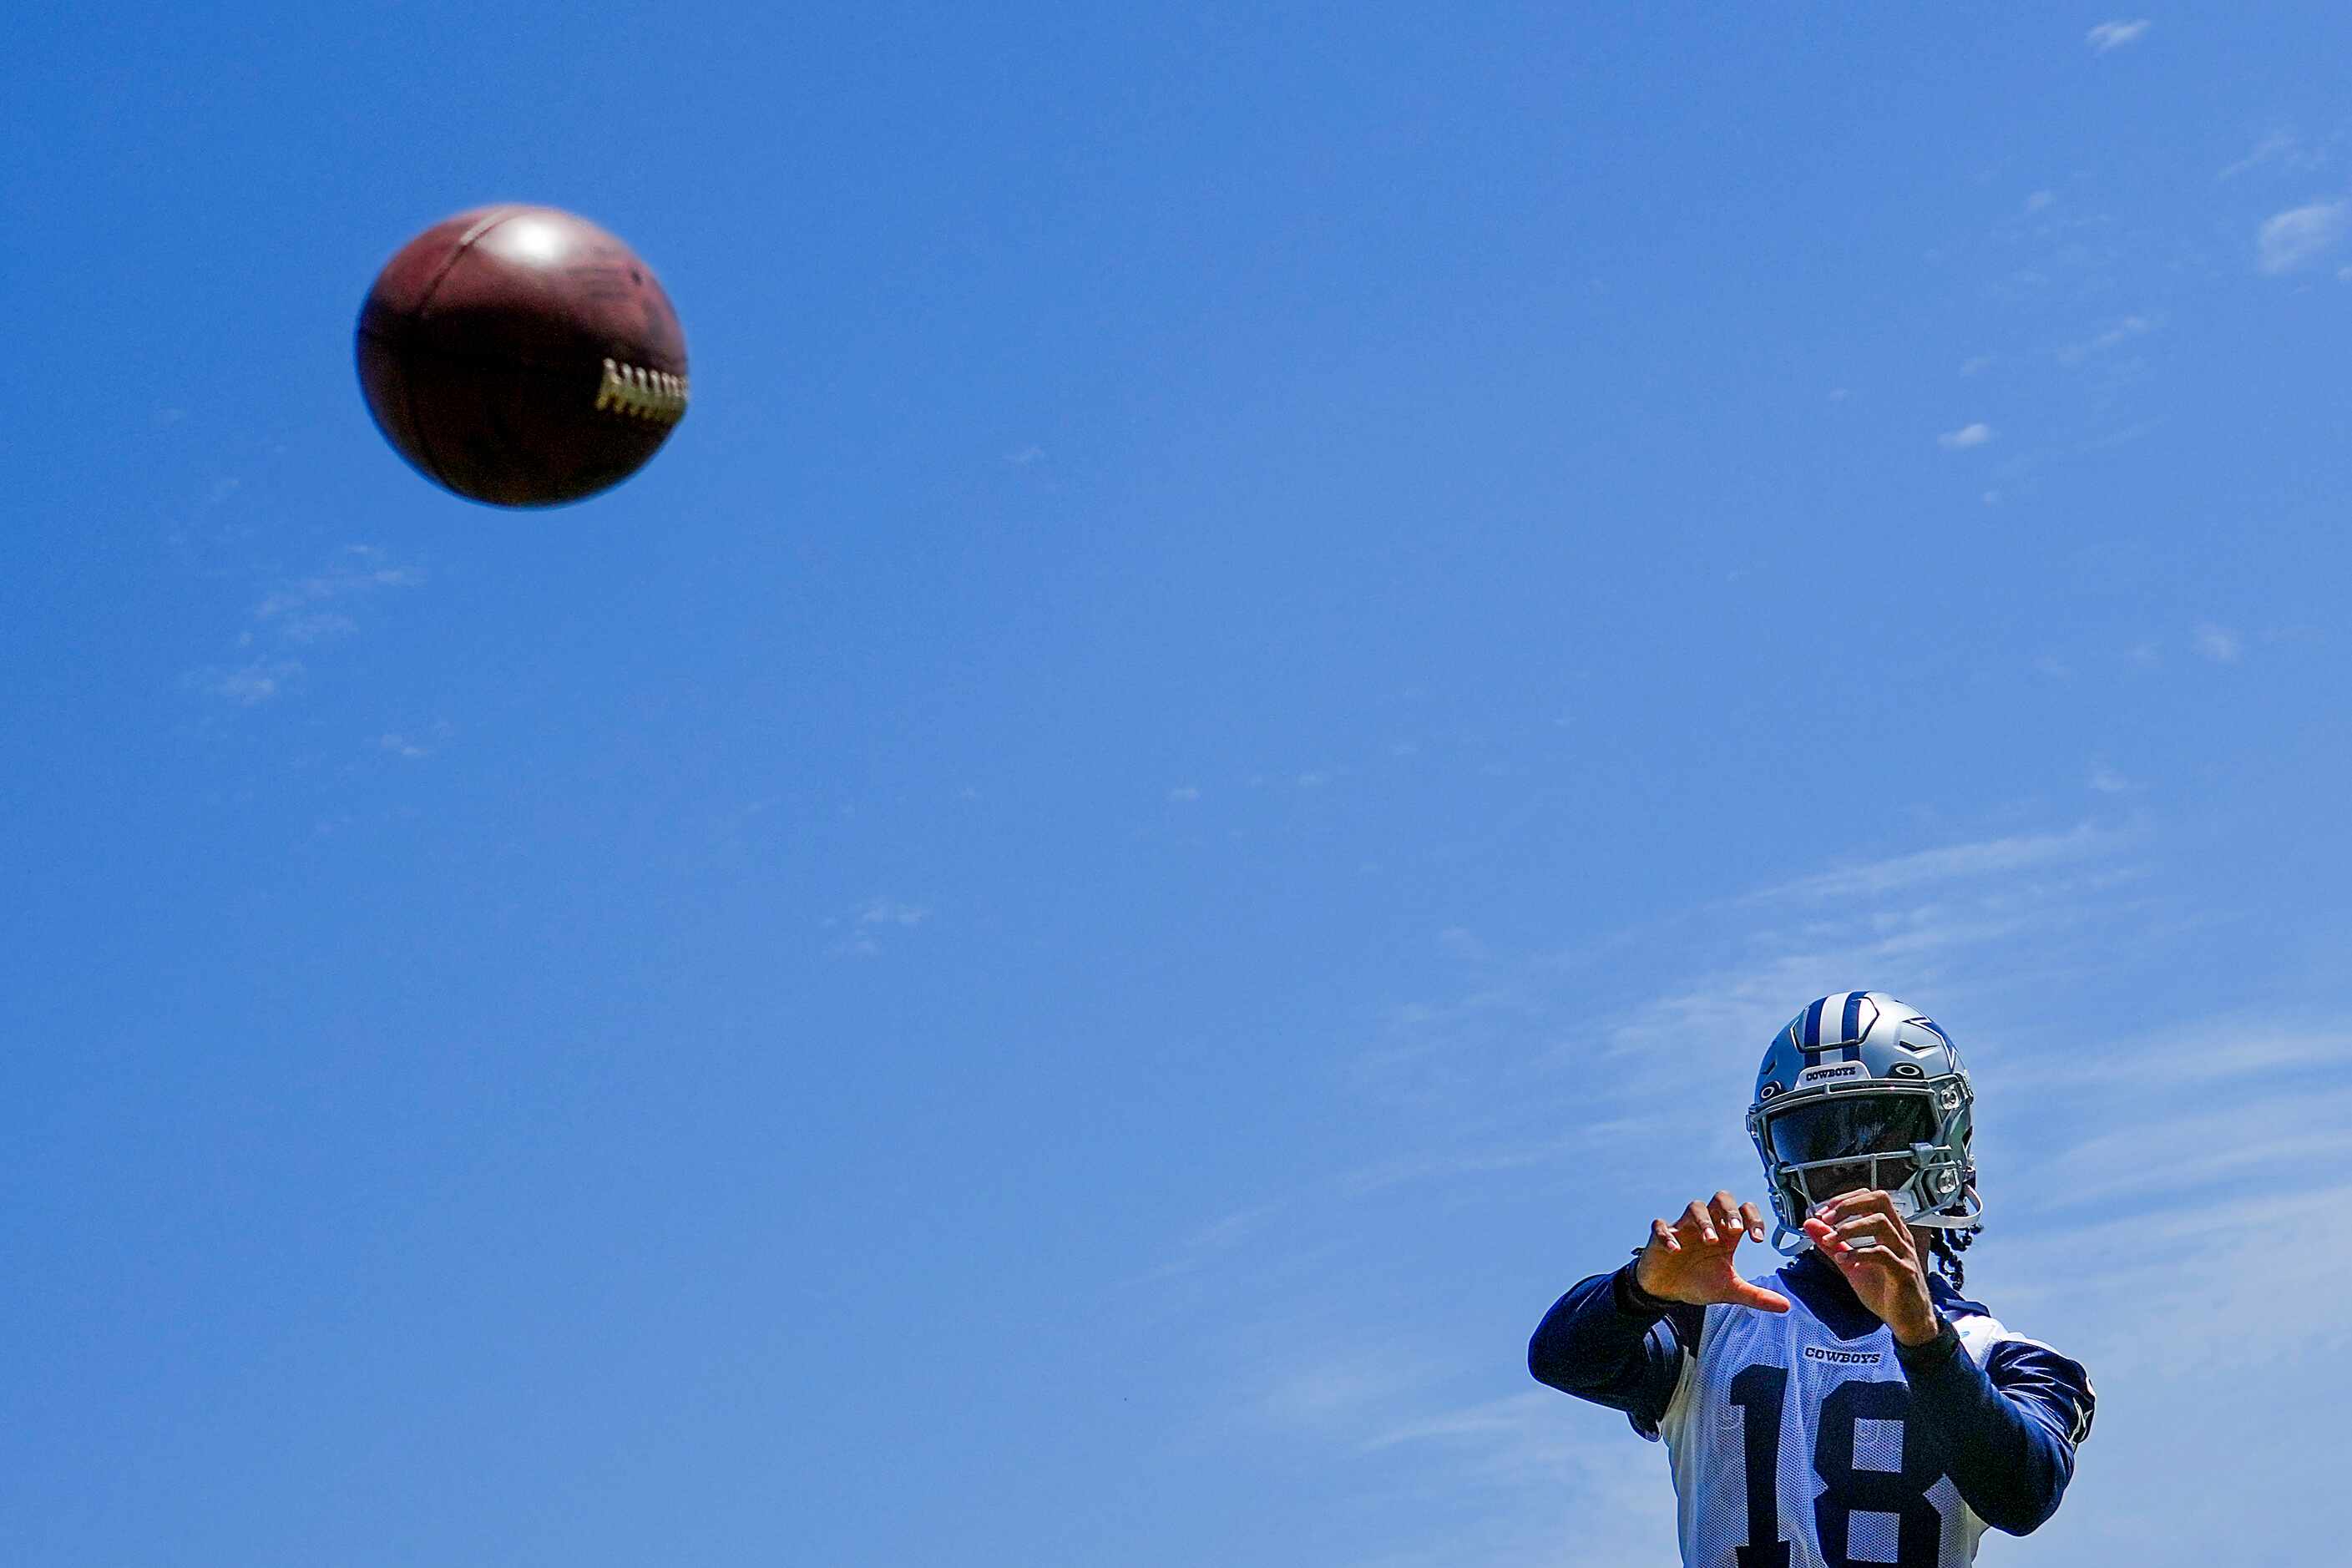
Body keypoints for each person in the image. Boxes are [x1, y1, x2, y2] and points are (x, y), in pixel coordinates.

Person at [1528, 992, 2094, 1566]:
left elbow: (2022, 1497)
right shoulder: (1710, 1321)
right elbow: (1561, 1360)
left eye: (1875, 1128)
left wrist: (1923, 1341)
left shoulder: (2008, 1359)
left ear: (1949, 1139)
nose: (1846, 1164)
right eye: (1815, 1137)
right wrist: (1638, 1289)